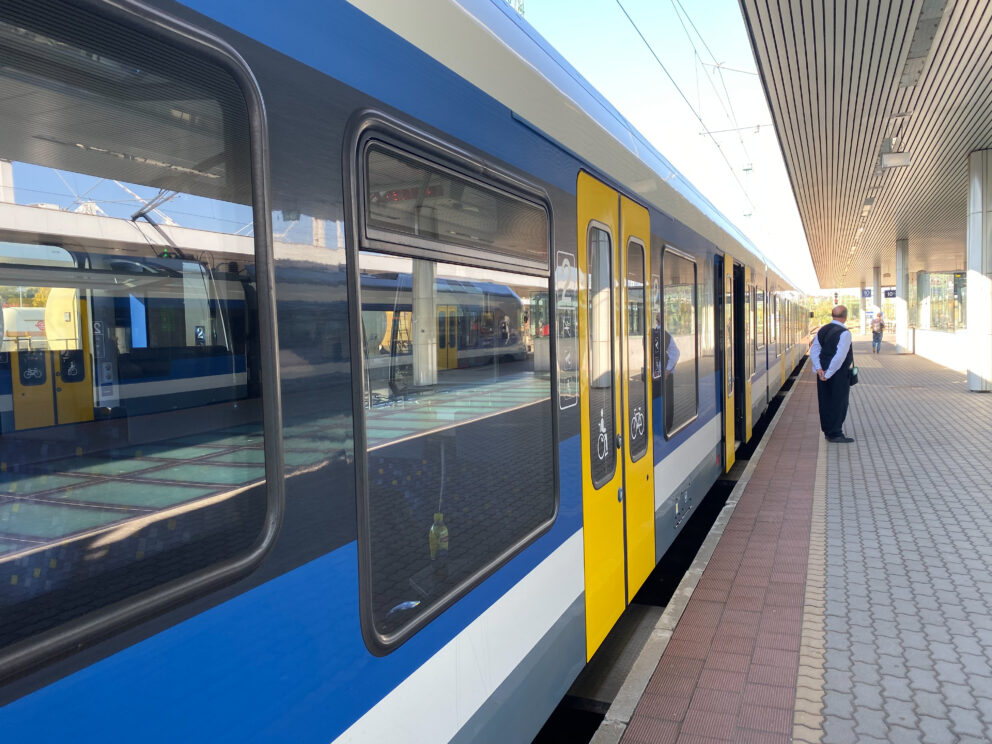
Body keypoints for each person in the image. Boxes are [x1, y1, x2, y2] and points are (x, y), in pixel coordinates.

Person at [811, 305, 855, 443]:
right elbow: (839, 357)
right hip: (838, 374)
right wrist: (828, 373)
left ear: (832, 315)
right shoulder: (845, 333)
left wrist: (819, 369)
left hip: (822, 372)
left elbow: (814, 350)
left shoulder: (822, 330)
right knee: (839, 402)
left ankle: (827, 431)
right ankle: (835, 433)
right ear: (845, 317)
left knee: (825, 401)